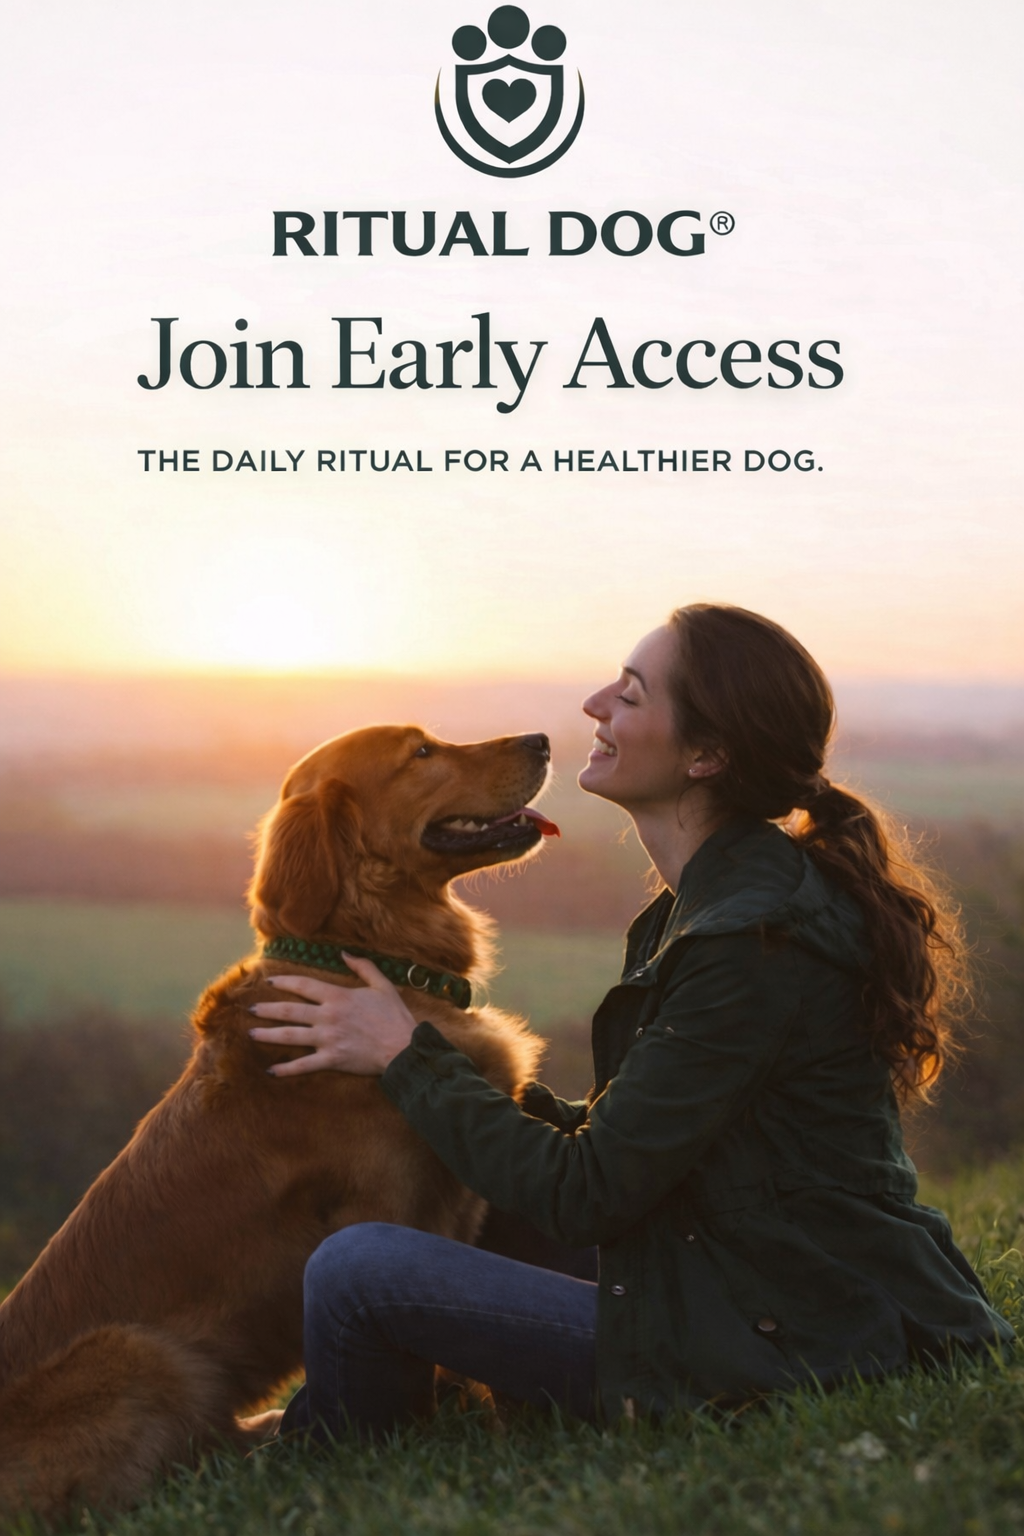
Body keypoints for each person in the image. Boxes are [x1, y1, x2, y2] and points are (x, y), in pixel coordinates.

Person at [248, 603, 1013, 1436]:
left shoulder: (748, 940)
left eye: (633, 694)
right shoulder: (707, 904)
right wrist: (449, 1081)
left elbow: (587, 1195)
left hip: (782, 1339)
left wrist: (407, 1054)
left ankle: (324, 1443)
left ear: (706, 756)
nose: (595, 704)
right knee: (467, 1195)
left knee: (358, 1269)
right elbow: (646, 1144)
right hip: (740, 1273)